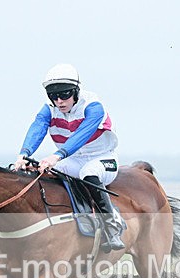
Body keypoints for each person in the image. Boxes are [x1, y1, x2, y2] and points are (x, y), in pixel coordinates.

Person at [13, 63, 124, 252]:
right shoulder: (49, 108)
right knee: (44, 173)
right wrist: (24, 155)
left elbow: (81, 136)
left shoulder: (93, 106)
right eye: (53, 96)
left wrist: (57, 156)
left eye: (64, 95)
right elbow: (38, 128)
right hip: (73, 160)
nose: (59, 101)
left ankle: (111, 225)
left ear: (76, 91)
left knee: (88, 172)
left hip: (103, 158)